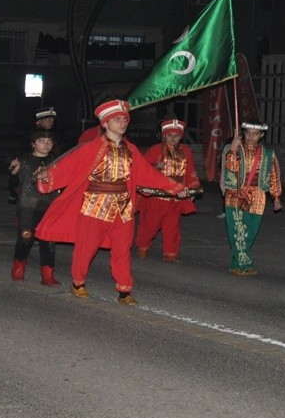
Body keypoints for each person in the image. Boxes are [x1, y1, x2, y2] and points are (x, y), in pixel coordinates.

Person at [35, 99, 191, 306]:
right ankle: (78, 282)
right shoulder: (92, 147)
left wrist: (175, 187)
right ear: (105, 123)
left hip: (123, 207)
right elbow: (68, 166)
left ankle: (124, 290)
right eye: (117, 119)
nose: (123, 123)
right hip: (95, 206)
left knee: (123, 249)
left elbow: (149, 174)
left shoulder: (131, 149)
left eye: (124, 119)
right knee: (87, 247)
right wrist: (48, 176)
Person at [134, 118, 201, 262]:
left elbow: (190, 171)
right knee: (149, 225)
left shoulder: (186, 151)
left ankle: (170, 253)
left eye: (176, 136)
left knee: (172, 226)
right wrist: (154, 166)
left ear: (181, 137)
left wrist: (192, 189)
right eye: (170, 135)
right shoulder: (155, 150)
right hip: (156, 198)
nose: (173, 138)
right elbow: (141, 169)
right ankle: (142, 246)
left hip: (176, 198)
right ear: (164, 135)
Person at [221, 121, 283, 276]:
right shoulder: (233, 148)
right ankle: (245, 265)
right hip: (236, 194)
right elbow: (231, 168)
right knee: (238, 230)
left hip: (258, 196)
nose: (250, 137)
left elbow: (274, 175)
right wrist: (234, 148)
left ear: (261, 135)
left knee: (251, 231)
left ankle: (235, 264)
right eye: (247, 133)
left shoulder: (268, 153)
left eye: (255, 134)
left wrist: (276, 197)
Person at [9, 129, 60, 286]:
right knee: (26, 237)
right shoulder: (24, 160)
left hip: (49, 205)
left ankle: (47, 274)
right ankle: (18, 268)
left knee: (48, 240)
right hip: (28, 205)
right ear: (33, 144)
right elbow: (14, 185)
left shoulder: (56, 161)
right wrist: (14, 173)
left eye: (49, 142)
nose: (46, 144)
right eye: (41, 141)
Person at [9, 107, 58, 204]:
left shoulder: (54, 135)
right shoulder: (31, 135)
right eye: (47, 119)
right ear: (39, 121)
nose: (50, 122)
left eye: (52, 120)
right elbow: (22, 152)